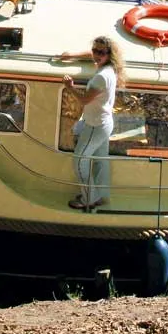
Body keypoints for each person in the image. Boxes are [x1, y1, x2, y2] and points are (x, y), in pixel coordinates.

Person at [58, 36, 127, 210]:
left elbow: (84, 100)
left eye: (100, 52)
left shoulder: (101, 77)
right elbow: (92, 54)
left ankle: (89, 198)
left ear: (109, 55)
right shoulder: (110, 68)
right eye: (95, 50)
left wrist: (70, 86)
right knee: (100, 161)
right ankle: (102, 196)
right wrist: (72, 55)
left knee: (79, 160)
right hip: (104, 122)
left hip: (95, 125)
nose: (96, 55)